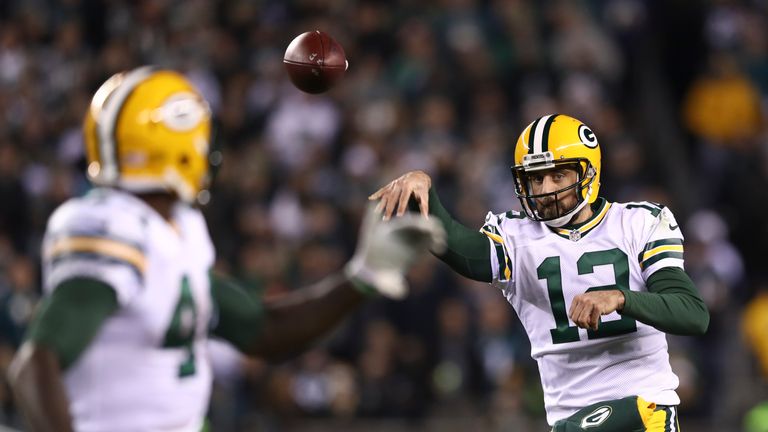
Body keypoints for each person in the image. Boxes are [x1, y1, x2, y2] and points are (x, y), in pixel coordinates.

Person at [7, 66, 445, 432]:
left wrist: (364, 276)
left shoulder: (177, 228)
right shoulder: (109, 225)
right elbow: (34, 365)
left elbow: (263, 330)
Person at [371, 114, 710, 431]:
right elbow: (463, 252)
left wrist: (621, 298)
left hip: (642, 408)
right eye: (535, 178)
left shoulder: (638, 222)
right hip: (569, 416)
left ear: (587, 174)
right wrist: (425, 195)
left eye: (557, 175)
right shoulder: (516, 235)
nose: (545, 188)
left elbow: (693, 314)